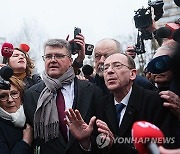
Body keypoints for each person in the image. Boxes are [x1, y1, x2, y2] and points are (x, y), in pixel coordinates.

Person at [64, 53, 179, 153]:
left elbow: (165, 148)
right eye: (105, 68)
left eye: (117, 66)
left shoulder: (156, 102)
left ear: (132, 74)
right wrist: (85, 141)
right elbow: (98, 147)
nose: (109, 71)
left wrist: (115, 143)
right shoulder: (100, 104)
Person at [23, 39, 102, 154]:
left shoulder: (92, 91)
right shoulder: (31, 95)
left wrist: (85, 142)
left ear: (70, 61)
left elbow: (101, 136)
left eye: (59, 56)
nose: (53, 60)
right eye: (48, 56)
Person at [0, 75, 33, 154]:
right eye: (3, 96)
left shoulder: (32, 117)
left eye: (14, 94)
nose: (10, 100)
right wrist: (25, 142)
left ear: (21, 96)